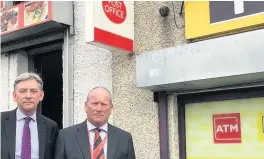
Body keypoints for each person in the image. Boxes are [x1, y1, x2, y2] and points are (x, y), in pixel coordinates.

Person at [55, 87, 136, 159]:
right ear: (86, 106)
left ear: (111, 109)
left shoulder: (124, 139)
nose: (99, 109)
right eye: (95, 103)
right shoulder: (66, 137)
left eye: (104, 104)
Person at [1, 72, 59, 159]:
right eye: (22, 91)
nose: (28, 96)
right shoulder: (1, 121)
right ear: (14, 95)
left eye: (33, 91)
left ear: (41, 95)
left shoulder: (51, 126)